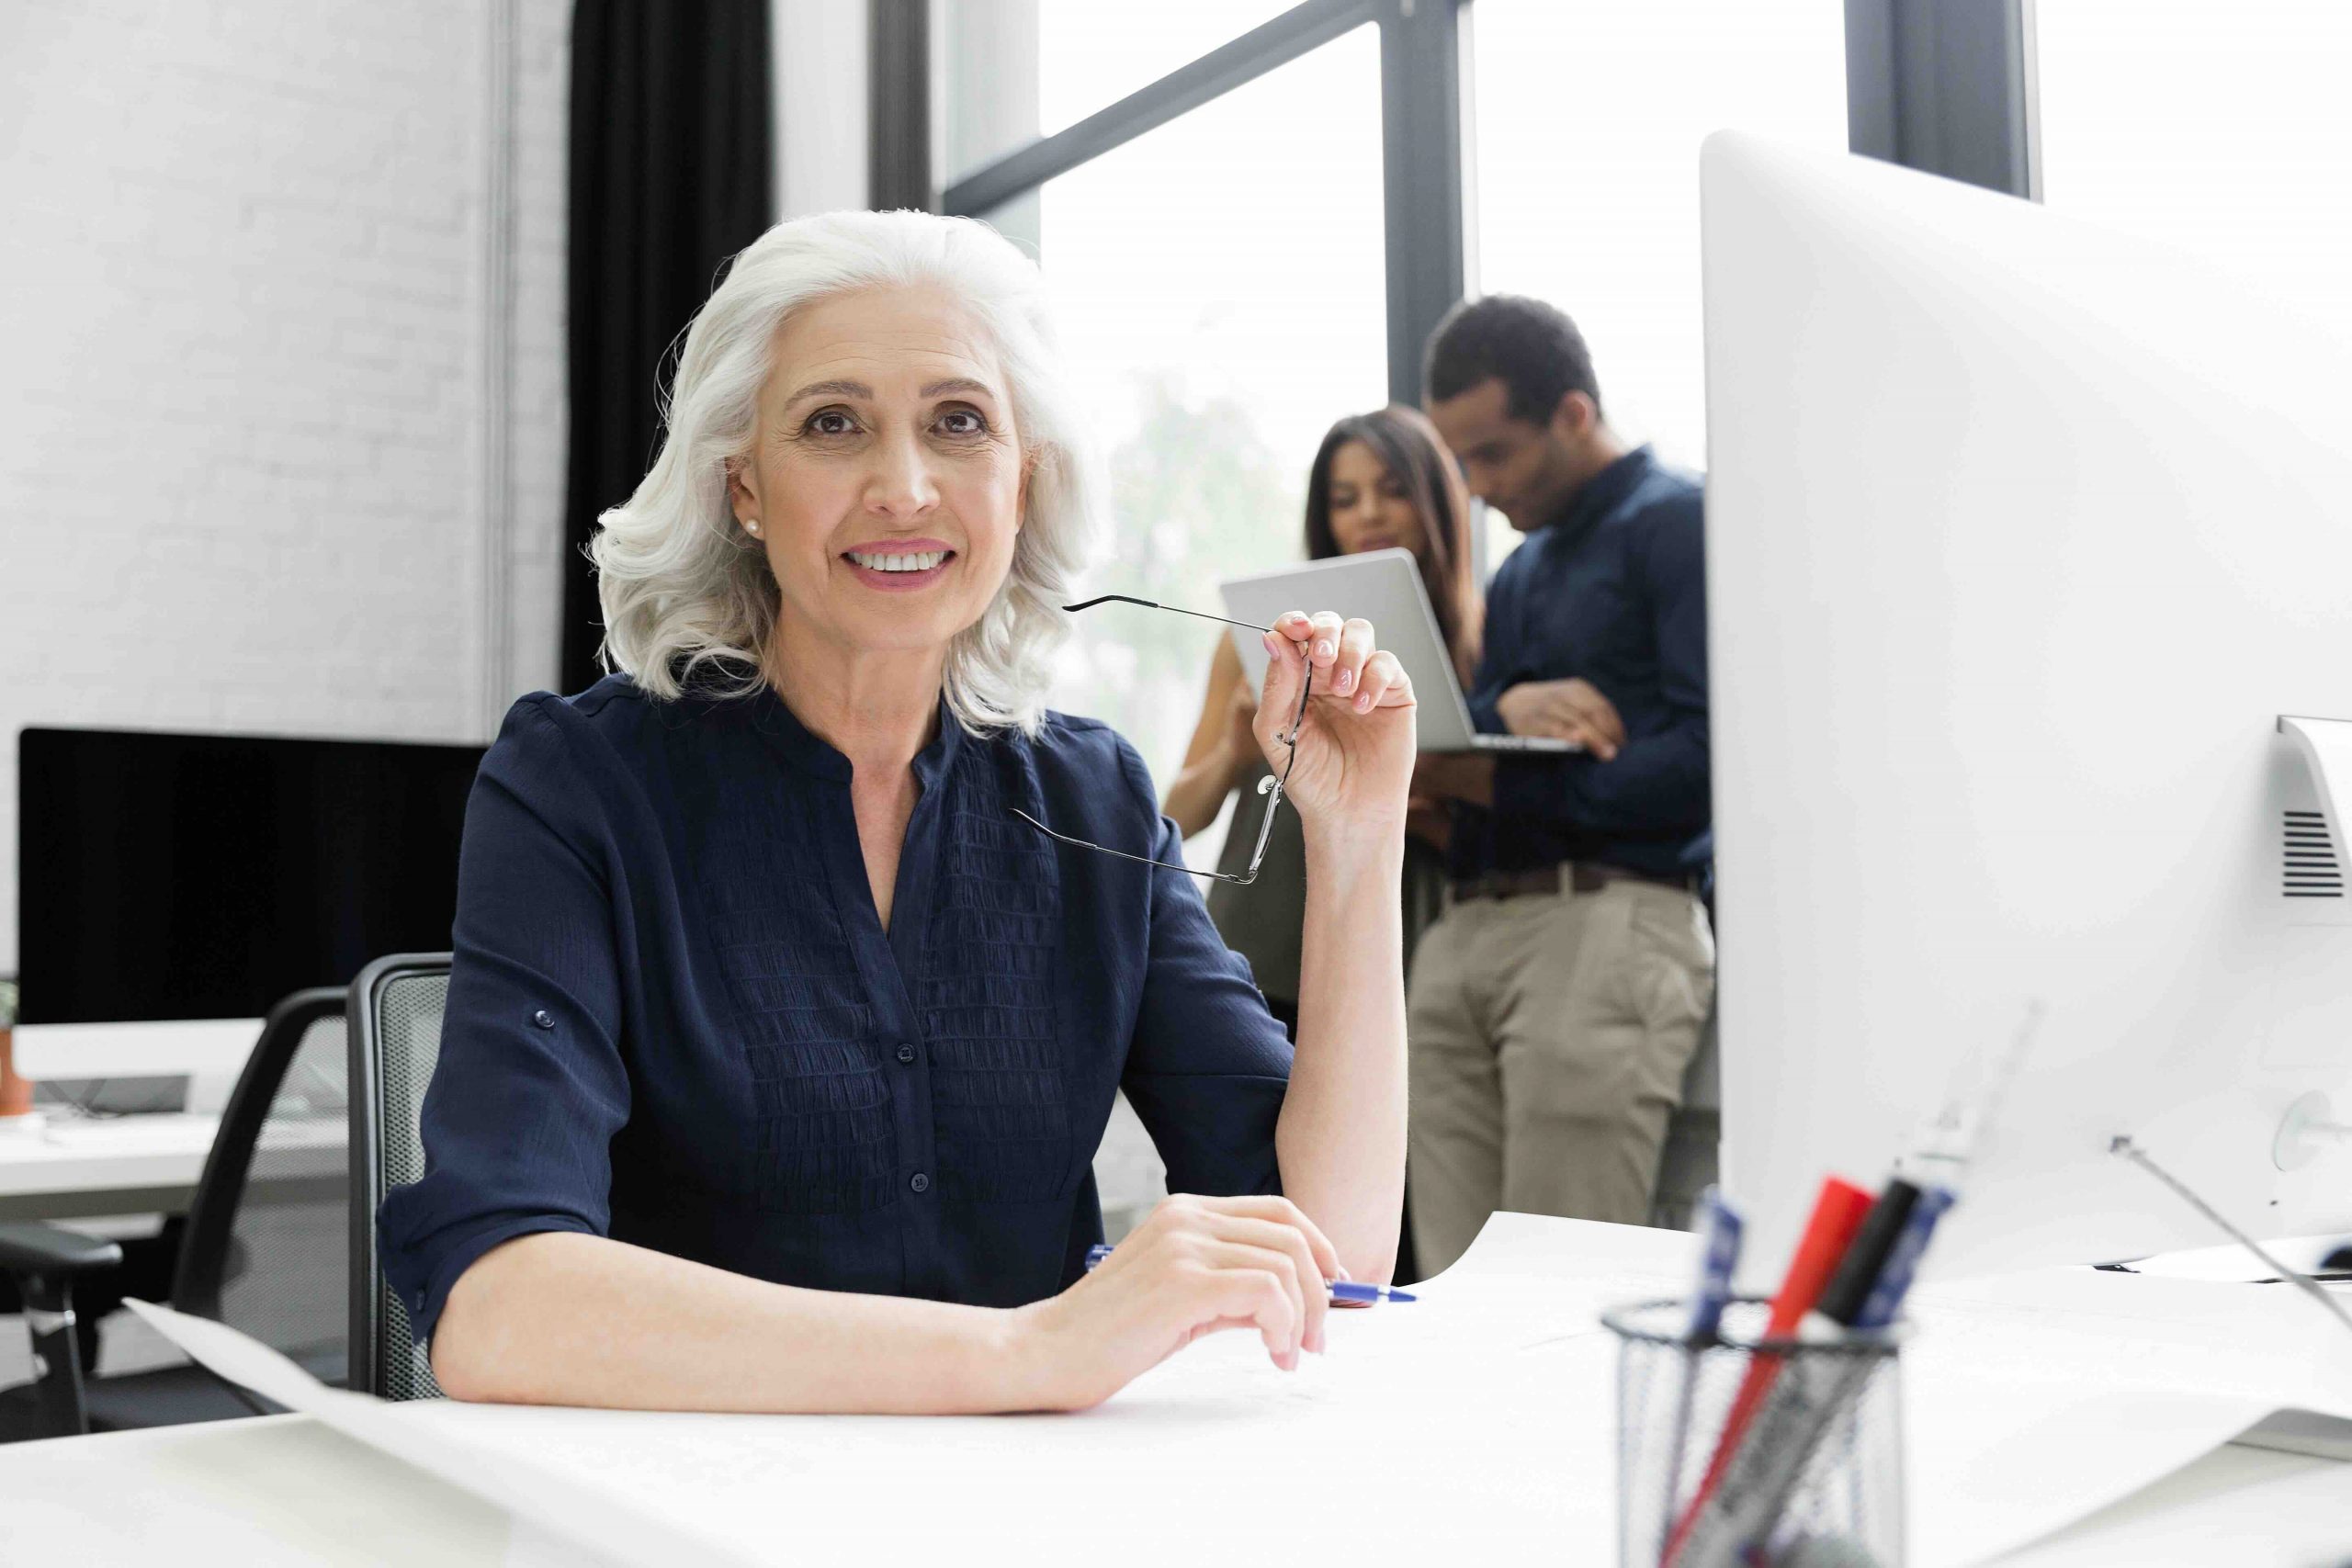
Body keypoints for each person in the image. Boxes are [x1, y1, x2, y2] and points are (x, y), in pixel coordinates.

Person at [378, 211, 1419, 1415]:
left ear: (1023, 482)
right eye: (834, 423)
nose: (905, 486)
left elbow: (1333, 1255)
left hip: (1018, 1510)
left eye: (959, 421)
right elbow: (494, 1306)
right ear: (746, 487)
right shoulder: (575, 784)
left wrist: (1357, 836)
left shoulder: (1095, 794)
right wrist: (1025, 1352)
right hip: (692, 1507)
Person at [1407, 294, 1714, 1275]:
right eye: (1461, 461)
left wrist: (1497, 778)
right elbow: (1485, 729)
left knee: (1559, 1290)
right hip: (1464, 936)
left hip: (1606, 926)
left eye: (1493, 455)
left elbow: (1711, 764)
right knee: (1451, 1293)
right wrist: (1502, 721)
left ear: (1573, 416)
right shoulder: (1521, 572)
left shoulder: (1681, 523)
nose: (1477, 488)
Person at [1161, 407, 1482, 1032]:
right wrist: (1233, 749)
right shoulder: (1267, 635)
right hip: (1253, 948)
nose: (1368, 512)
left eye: (1393, 490)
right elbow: (1172, 819)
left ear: (1436, 500)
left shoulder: (1479, 641)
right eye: (1345, 497)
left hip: (1400, 957)